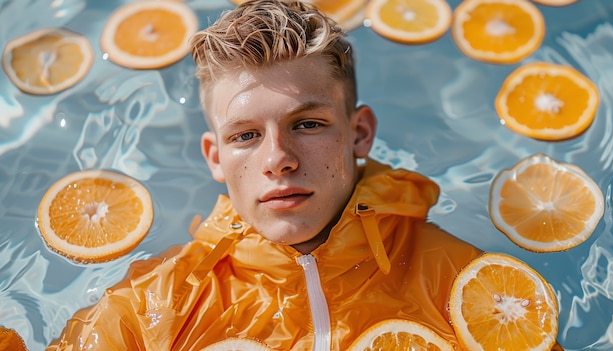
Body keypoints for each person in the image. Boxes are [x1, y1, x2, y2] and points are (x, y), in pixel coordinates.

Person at [47, 0, 483, 349]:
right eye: (246, 136)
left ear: (360, 133)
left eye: (307, 124)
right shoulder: (150, 309)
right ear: (214, 158)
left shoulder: (463, 284)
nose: (278, 159)